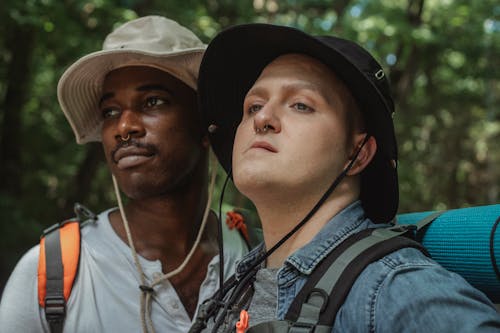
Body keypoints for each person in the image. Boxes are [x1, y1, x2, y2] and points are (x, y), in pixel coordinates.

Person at [192, 23, 500, 332]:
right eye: (253, 106)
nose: (262, 118)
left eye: (301, 105)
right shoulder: (240, 282)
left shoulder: (395, 290)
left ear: (358, 154)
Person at [0, 16, 247, 333]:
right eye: (110, 112)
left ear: (205, 124)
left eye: (152, 101)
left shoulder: (252, 251)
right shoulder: (50, 272)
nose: (124, 127)